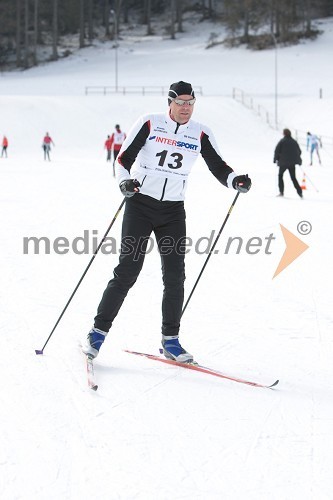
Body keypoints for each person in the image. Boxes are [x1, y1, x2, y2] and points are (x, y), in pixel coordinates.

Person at [82, 81, 251, 363]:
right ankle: (97, 333)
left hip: (173, 211)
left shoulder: (200, 133)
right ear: (170, 102)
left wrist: (236, 180)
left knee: (175, 276)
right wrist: (125, 183)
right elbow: (123, 160)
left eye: (191, 103)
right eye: (181, 102)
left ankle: (171, 340)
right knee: (127, 271)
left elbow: (218, 166)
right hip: (141, 204)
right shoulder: (150, 123)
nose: (186, 108)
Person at [274, 128, 303, 198]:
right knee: (293, 178)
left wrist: (275, 159)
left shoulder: (282, 141)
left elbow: (277, 151)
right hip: (292, 163)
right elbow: (299, 151)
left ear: (284, 133)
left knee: (280, 176)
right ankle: (300, 192)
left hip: (283, 163)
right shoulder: (294, 141)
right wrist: (297, 160)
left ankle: (281, 192)